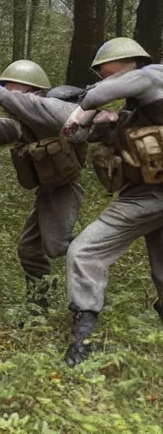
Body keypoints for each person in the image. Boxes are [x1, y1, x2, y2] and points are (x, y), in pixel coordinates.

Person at [60, 37, 163, 366]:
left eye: (107, 73)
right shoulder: (139, 104)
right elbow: (78, 135)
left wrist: (82, 103)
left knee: (84, 252)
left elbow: (96, 95)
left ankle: (83, 341)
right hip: (152, 193)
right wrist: (109, 121)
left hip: (152, 195)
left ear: (126, 64)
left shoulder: (151, 76)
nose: (105, 79)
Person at [0, 60, 90, 311]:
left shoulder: (58, 110)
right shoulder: (23, 123)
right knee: (29, 249)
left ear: (34, 91)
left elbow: (55, 115)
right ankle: (38, 307)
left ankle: (86, 301)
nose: (7, 94)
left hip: (65, 189)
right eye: (4, 88)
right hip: (47, 191)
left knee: (60, 247)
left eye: (12, 90)